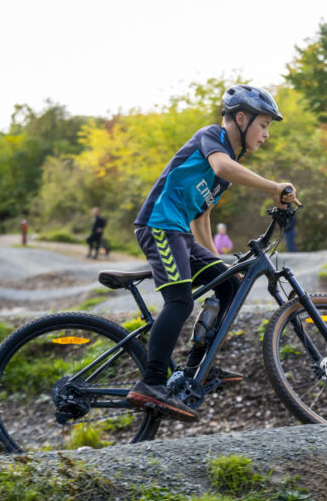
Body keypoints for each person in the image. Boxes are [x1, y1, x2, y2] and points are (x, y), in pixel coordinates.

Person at [126, 85, 299, 422]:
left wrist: (217, 264)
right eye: (264, 125)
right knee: (180, 301)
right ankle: (151, 382)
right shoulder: (211, 138)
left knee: (230, 284)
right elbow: (221, 167)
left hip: (180, 231)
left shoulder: (227, 167)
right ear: (241, 118)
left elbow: (202, 217)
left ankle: (196, 370)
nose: (266, 135)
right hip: (159, 225)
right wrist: (274, 187)